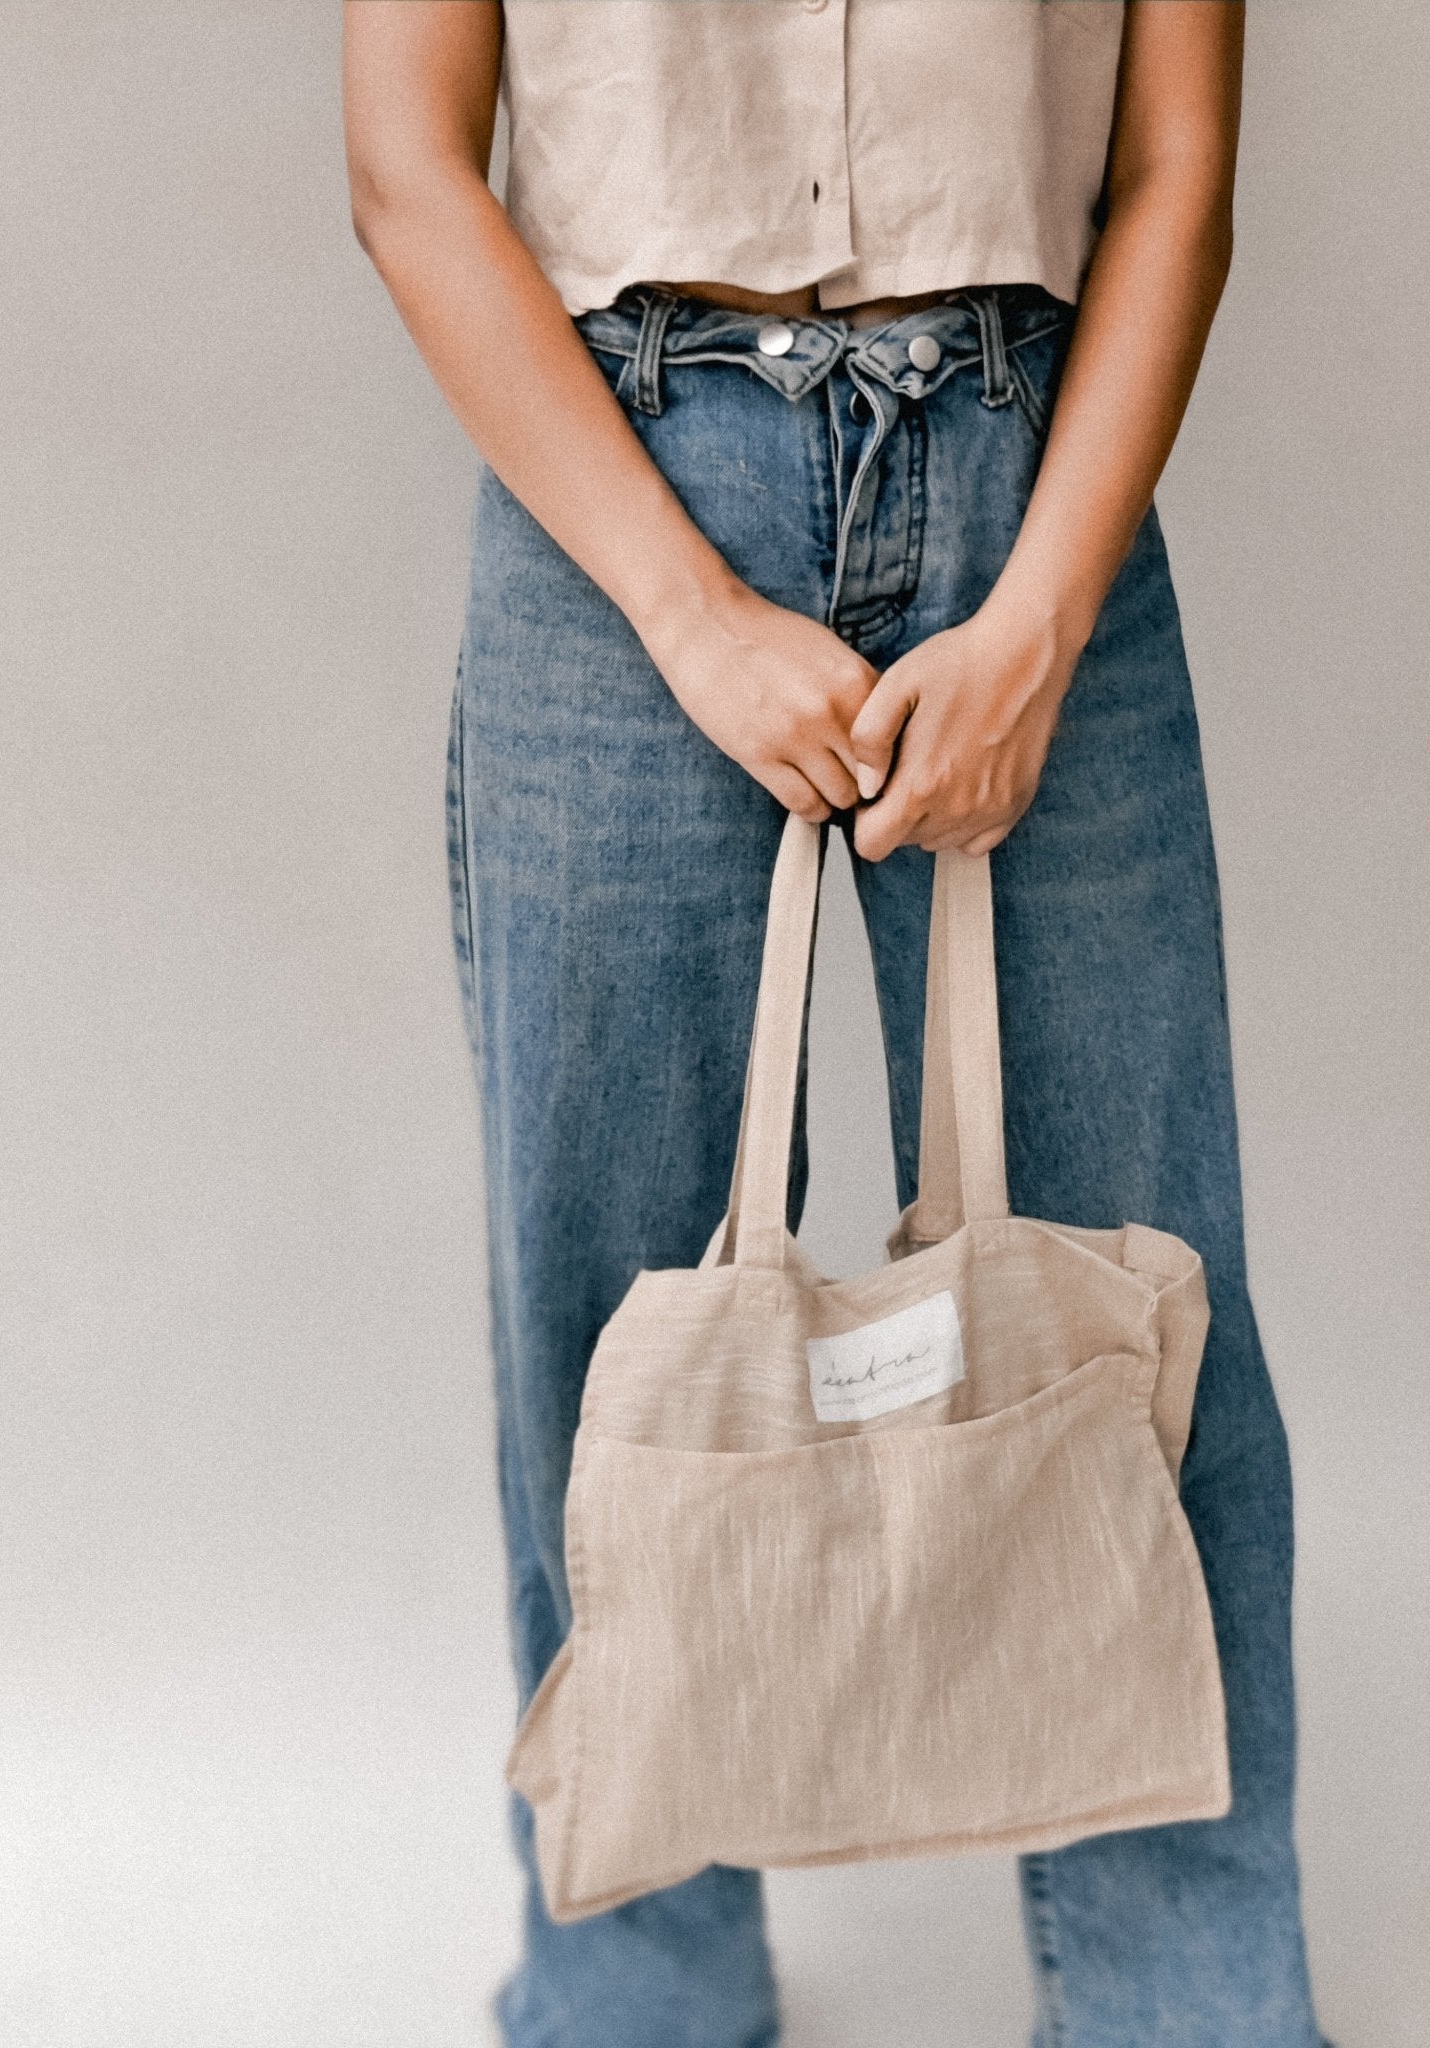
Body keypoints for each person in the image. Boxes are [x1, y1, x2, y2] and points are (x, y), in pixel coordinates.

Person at [343, 3, 1332, 2043]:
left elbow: (1172, 171)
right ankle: (639, 1997)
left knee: (1156, 1323)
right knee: (608, 1334)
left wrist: (1044, 613)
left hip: (1028, 475)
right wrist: (692, 616)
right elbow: (407, 165)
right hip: (620, 489)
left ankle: (1195, 2009)